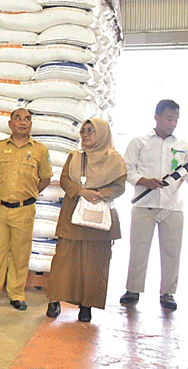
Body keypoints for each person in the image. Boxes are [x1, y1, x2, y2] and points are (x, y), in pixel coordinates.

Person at [46, 118, 127, 323]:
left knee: (94, 264)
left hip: (100, 217)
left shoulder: (115, 159)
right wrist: (81, 191)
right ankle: (55, 300)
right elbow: (65, 179)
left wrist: (99, 194)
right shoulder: (74, 157)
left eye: (91, 131)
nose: (86, 135)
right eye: (83, 131)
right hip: (73, 214)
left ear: (102, 134)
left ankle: (86, 305)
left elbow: (119, 187)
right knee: (64, 261)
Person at [0, 109, 52, 311]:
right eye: (18, 118)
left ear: (31, 124)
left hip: (24, 211)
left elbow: (46, 178)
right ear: (10, 124)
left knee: (20, 254)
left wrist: (30, 193)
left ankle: (16, 294)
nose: (23, 122)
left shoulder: (40, 150)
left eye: (27, 119)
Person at [120, 99, 187, 311]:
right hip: (144, 204)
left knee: (171, 252)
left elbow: (181, 173)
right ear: (156, 117)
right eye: (169, 118)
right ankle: (133, 289)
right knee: (139, 250)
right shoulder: (139, 142)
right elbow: (127, 170)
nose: (173, 123)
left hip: (172, 206)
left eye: (176, 119)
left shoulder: (182, 146)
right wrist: (144, 181)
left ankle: (168, 292)